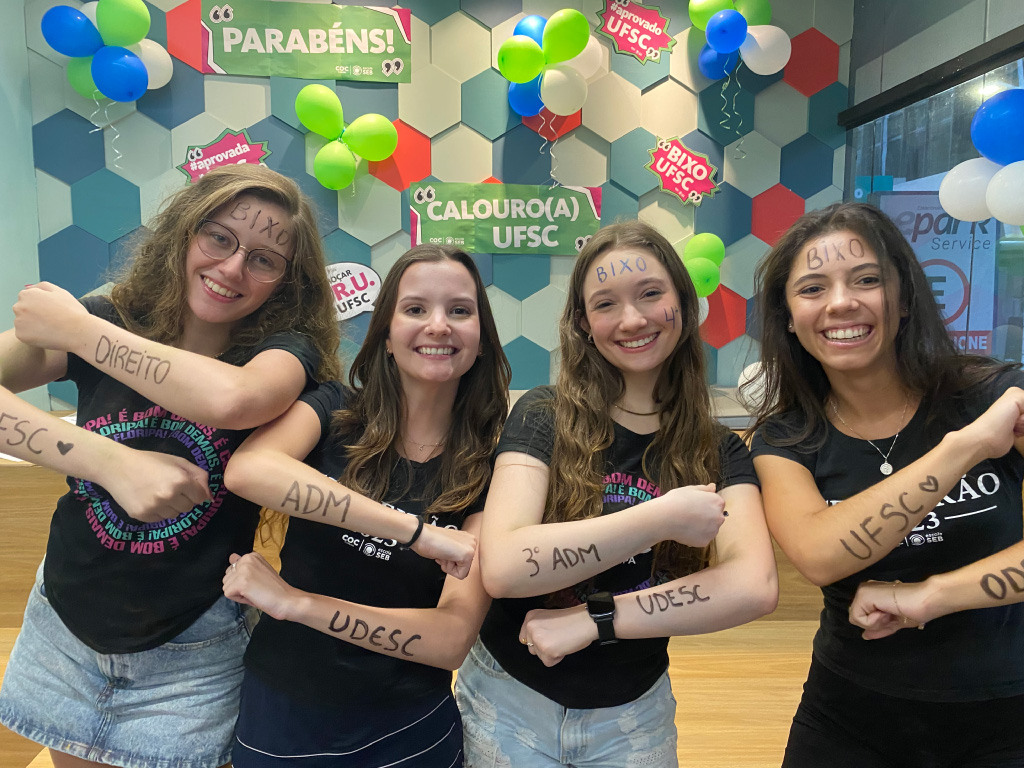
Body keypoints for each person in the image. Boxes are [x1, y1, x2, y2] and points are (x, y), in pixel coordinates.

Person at [0, 164, 343, 768]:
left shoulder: (286, 353)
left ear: (287, 283)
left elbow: (235, 401)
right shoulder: (109, 317)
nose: (233, 267)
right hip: (68, 615)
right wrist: (108, 461)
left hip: (192, 640)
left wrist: (80, 331)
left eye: (264, 259)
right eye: (219, 237)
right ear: (183, 233)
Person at [457, 220, 778, 767]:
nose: (632, 320)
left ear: (682, 302)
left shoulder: (719, 448)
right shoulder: (542, 414)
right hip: (509, 702)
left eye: (651, 294)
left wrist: (597, 620)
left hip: (634, 715)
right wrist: (660, 518)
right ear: (584, 323)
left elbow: (754, 586)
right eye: (606, 304)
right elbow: (505, 567)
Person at [748, 202, 1024, 767]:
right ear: (790, 320)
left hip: (1006, 714)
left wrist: (926, 597)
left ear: (903, 300)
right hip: (850, 716)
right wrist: (964, 447)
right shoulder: (785, 439)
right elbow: (821, 555)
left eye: (867, 280)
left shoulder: (996, 395)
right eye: (812, 288)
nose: (842, 302)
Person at [220, 244, 510, 767]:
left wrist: (297, 605)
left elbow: (449, 640)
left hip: (407, 729)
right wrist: (416, 532)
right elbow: (248, 471)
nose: (439, 325)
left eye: (460, 311)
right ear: (386, 336)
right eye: (416, 309)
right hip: (282, 716)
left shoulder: (493, 465)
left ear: (482, 341)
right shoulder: (333, 410)